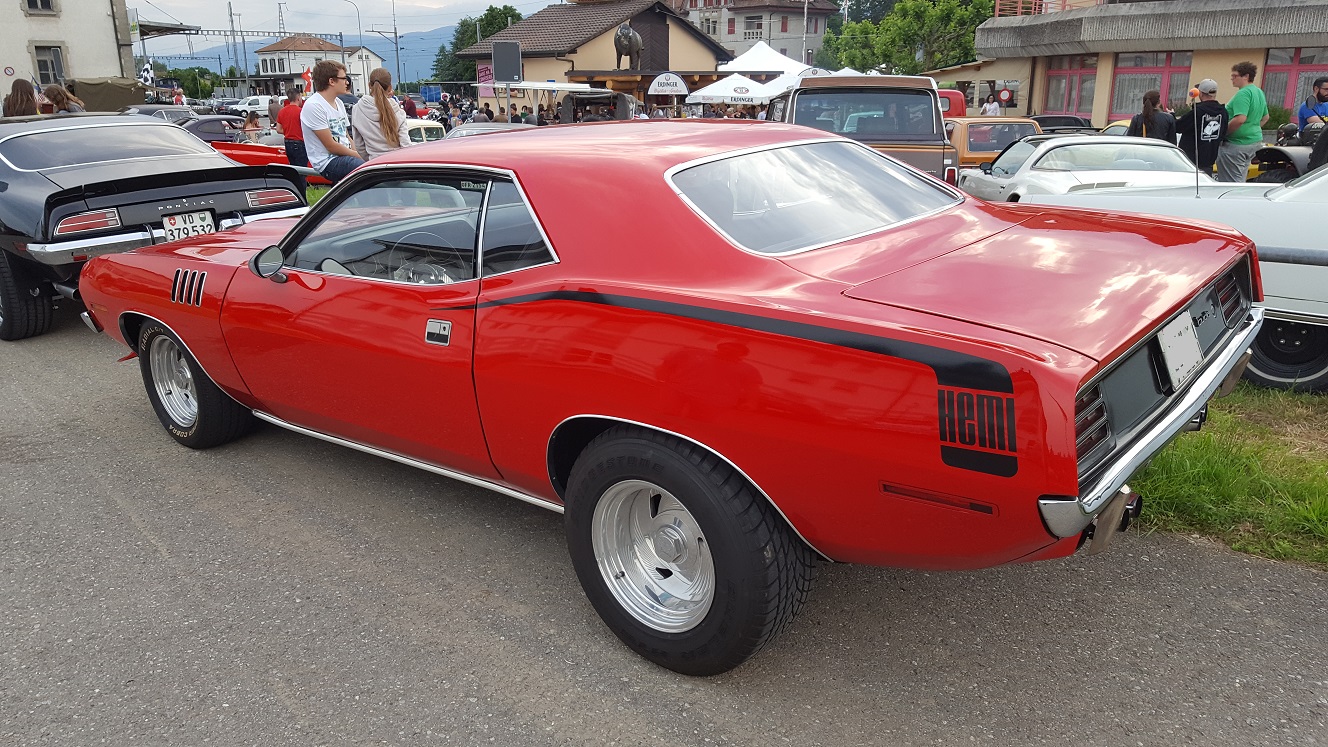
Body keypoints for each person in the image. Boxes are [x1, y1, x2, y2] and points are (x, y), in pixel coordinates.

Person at [300, 60, 364, 184]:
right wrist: (361, 157)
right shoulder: (314, 105)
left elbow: (347, 136)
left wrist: (361, 153)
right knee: (367, 168)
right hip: (328, 162)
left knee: (375, 165)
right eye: (344, 78)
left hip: (345, 156)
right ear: (332, 81)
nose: (347, 82)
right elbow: (331, 146)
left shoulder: (338, 102)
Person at [1217, 61, 1269, 182]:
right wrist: (1251, 129)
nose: (1232, 78)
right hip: (1254, 141)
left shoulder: (1243, 93)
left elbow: (1240, 119)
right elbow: (1265, 117)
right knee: (1240, 179)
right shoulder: (1258, 92)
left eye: (1235, 76)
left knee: (1230, 183)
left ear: (1246, 76)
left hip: (1236, 144)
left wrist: (1223, 133)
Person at [351, 68, 410, 160]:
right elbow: (405, 145)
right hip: (398, 163)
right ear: (390, 87)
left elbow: (359, 146)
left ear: (369, 85)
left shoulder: (357, 110)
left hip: (375, 164)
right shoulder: (398, 111)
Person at [1176, 79, 1229, 172]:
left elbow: (1178, 127)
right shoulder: (1223, 112)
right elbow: (1223, 133)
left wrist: (1171, 116)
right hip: (1209, 161)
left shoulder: (1197, 112)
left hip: (1190, 162)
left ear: (1200, 93)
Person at [275, 88, 307, 165]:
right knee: (302, 168)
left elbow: (278, 129)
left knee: (293, 166)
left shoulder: (282, 111)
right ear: (298, 98)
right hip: (300, 142)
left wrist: (288, 131)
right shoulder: (301, 111)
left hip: (288, 143)